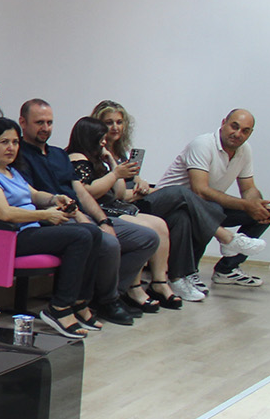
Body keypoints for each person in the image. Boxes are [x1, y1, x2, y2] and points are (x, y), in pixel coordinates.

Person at [15, 99, 155, 326]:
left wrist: (103, 219)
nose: (46, 128)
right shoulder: (18, 155)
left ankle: (109, 294)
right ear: (23, 122)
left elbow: (81, 192)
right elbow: (32, 198)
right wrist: (80, 217)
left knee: (147, 238)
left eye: (49, 122)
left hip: (81, 214)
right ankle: (106, 300)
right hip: (52, 219)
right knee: (105, 242)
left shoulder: (59, 154)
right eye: (39, 122)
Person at [0, 118, 103, 338]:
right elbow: (4, 213)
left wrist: (55, 199)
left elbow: (34, 194)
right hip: (5, 238)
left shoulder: (11, 170)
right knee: (80, 236)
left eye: (15, 142)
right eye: (4, 142)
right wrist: (45, 214)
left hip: (28, 231)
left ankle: (78, 302)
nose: (11, 148)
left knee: (93, 232)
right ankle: (59, 308)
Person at [152, 109, 270, 293]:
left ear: (250, 133)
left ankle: (227, 270)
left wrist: (255, 205)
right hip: (173, 207)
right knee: (212, 207)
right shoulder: (202, 144)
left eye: (245, 131)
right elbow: (200, 190)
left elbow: (248, 188)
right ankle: (190, 269)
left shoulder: (244, 150)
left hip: (208, 206)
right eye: (234, 126)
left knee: (258, 215)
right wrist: (245, 204)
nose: (237, 134)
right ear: (224, 122)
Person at [67, 115, 182, 312]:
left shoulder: (99, 158)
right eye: (101, 138)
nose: (105, 142)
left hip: (114, 205)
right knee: (143, 229)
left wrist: (112, 162)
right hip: (96, 210)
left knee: (160, 225)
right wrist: (115, 174)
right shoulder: (77, 158)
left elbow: (119, 192)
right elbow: (88, 192)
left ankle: (159, 282)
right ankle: (132, 287)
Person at [90, 100, 202, 302]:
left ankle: (164, 281)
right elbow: (115, 193)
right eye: (109, 123)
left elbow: (131, 180)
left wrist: (140, 182)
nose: (115, 127)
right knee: (178, 193)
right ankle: (225, 237)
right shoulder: (96, 154)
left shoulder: (122, 151)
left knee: (180, 216)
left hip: (132, 201)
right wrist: (137, 191)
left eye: (119, 122)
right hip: (115, 206)